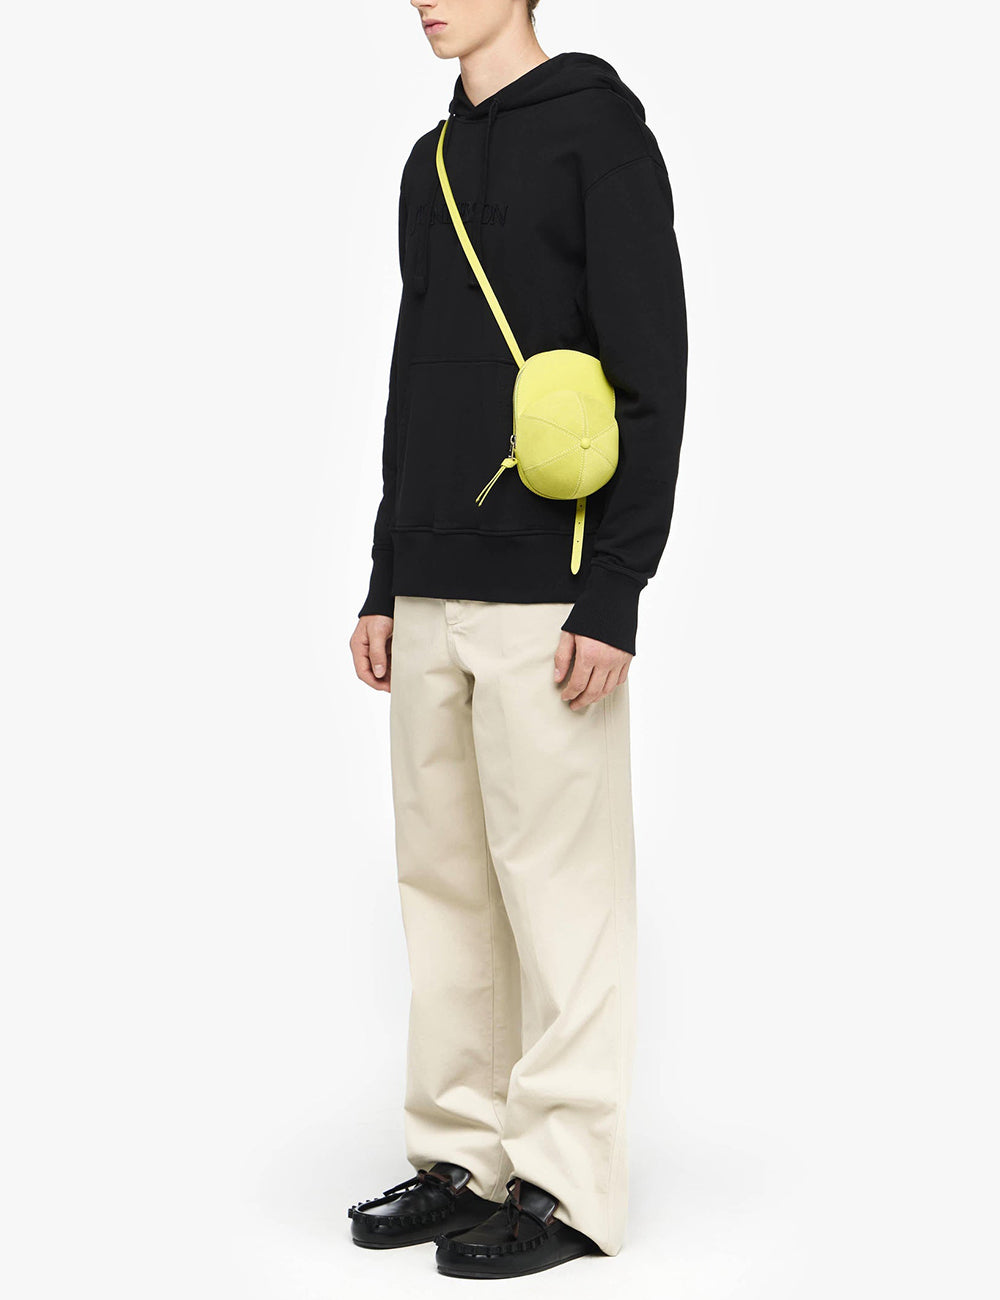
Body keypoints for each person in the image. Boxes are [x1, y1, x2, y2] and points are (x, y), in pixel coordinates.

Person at [347, 0, 687, 1279]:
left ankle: (569, 1189)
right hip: (433, 580)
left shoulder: (599, 133)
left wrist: (615, 590)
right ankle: (461, 1158)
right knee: (443, 883)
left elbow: (653, 370)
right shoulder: (428, 161)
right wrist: (385, 578)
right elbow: (413, 372)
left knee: (563, 894)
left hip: (551, 588)